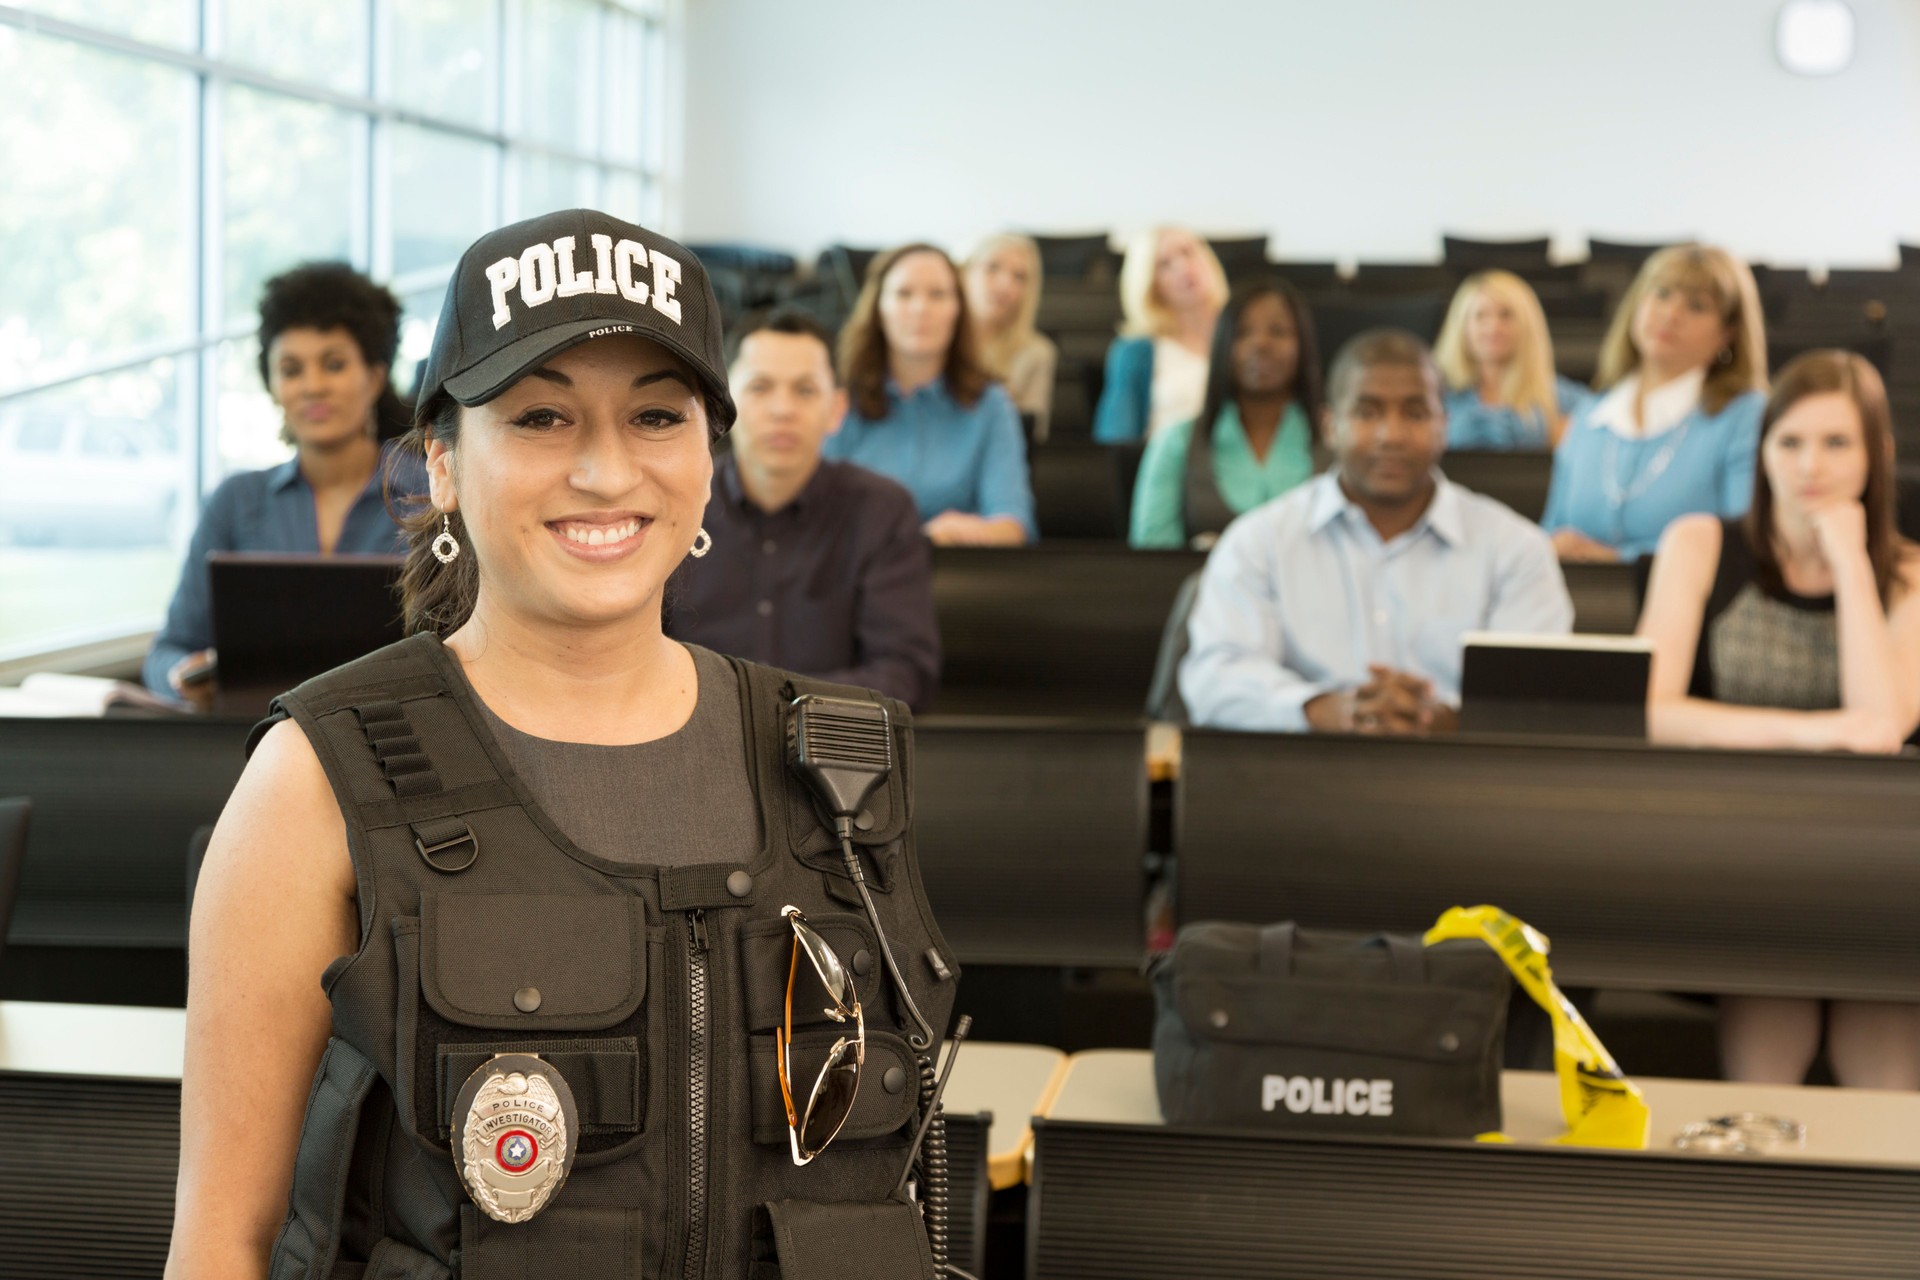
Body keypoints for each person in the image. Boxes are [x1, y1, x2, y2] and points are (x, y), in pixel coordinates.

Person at [166, 210, 958, 1279]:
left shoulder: (843, 764)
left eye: (655, 415)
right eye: (541, 416)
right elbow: (224, 1242)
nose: (604, 470)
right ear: (442, 462)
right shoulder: (319, 774)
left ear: (707, 462)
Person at [1637, 350, 1920, 1089]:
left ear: (1877, 454)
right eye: (1788, 442)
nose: (1809, 467)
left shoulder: (1913, 576)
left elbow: (1884, 724)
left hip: (1874, 859)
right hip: (1736, 842)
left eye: (1836, 443)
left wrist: (1854, 562)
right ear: (1761, 450)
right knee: (1771, 962)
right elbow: (1651, 711)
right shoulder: (1698, 541)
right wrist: (1819, 732)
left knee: (1881, 996)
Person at [1180, 329, 1573, 733]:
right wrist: (1325, 711)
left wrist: (1439, 720)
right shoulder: (1259, 541)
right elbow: (1214, 678)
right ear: (1330, 426)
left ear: (1445, 425)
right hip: (1300, 777)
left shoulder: (1516, 549)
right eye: (1367, 412)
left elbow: (1536, 695)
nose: (1392, 435)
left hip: (1466, 783)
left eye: (1415, 413)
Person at [143, 262, 423, 706]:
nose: (312, 386)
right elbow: (166, 652)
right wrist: (182, 676)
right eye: (291, 369)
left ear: (373, 377)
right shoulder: (235, 503)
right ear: (273, 385)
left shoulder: (433, 491)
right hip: (259, 744)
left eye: (333, 364)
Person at [667, 309, 941, 711]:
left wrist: (772, 706)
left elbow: (905, 674)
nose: (782, 409)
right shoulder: (673, 505)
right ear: (722, 405)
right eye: (760, 387)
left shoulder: (883, 511)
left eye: (805, 390)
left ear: (837, 409)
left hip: (834, 751)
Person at [1541, 244, 1768, 563]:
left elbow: (1741, 542)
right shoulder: (1591, 414)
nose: (1670, 314)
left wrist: (1618, 558)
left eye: (1697, 306)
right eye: (1661, 294)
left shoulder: (1745, 416)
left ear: (1727, 335)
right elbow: (1552, 526)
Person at [825, 241, 1035, 545]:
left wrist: (955, 533)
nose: (920, 308)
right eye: (904, 293)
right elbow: (813, 518)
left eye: (937, 294)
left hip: (954, 578)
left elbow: (1012, 526)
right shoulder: (839, 401)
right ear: (879, 310)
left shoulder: (992, 404)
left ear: (958, 309)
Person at [1129, 278, 1322, 549]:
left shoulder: (1335, 442)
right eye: (1243, 332)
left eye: (1278, 331)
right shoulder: (1176, 441)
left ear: (1303, 344)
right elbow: (1152, 559)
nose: (1261, 344)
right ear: (1223, 344)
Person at [1092, 225, 1230, 443]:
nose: (1184, 268)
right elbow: (1118, 440)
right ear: (1150, 284)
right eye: (1165, 264)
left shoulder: (1241, 337)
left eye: (1187, 252)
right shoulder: (1136, 351)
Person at [1434, 269, 1588, 450]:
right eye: (1480, 316)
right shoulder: (1437, 396)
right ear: (1461, 326)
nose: (1493, 327)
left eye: (1506, 315)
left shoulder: (1567, 400)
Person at [965, 232, 1058, 440]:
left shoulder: (1037, 352)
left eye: (1019, 277)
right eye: (993, 268)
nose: (1004, 285)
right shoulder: (935, 341)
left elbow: (1032, 434)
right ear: (967, 272)